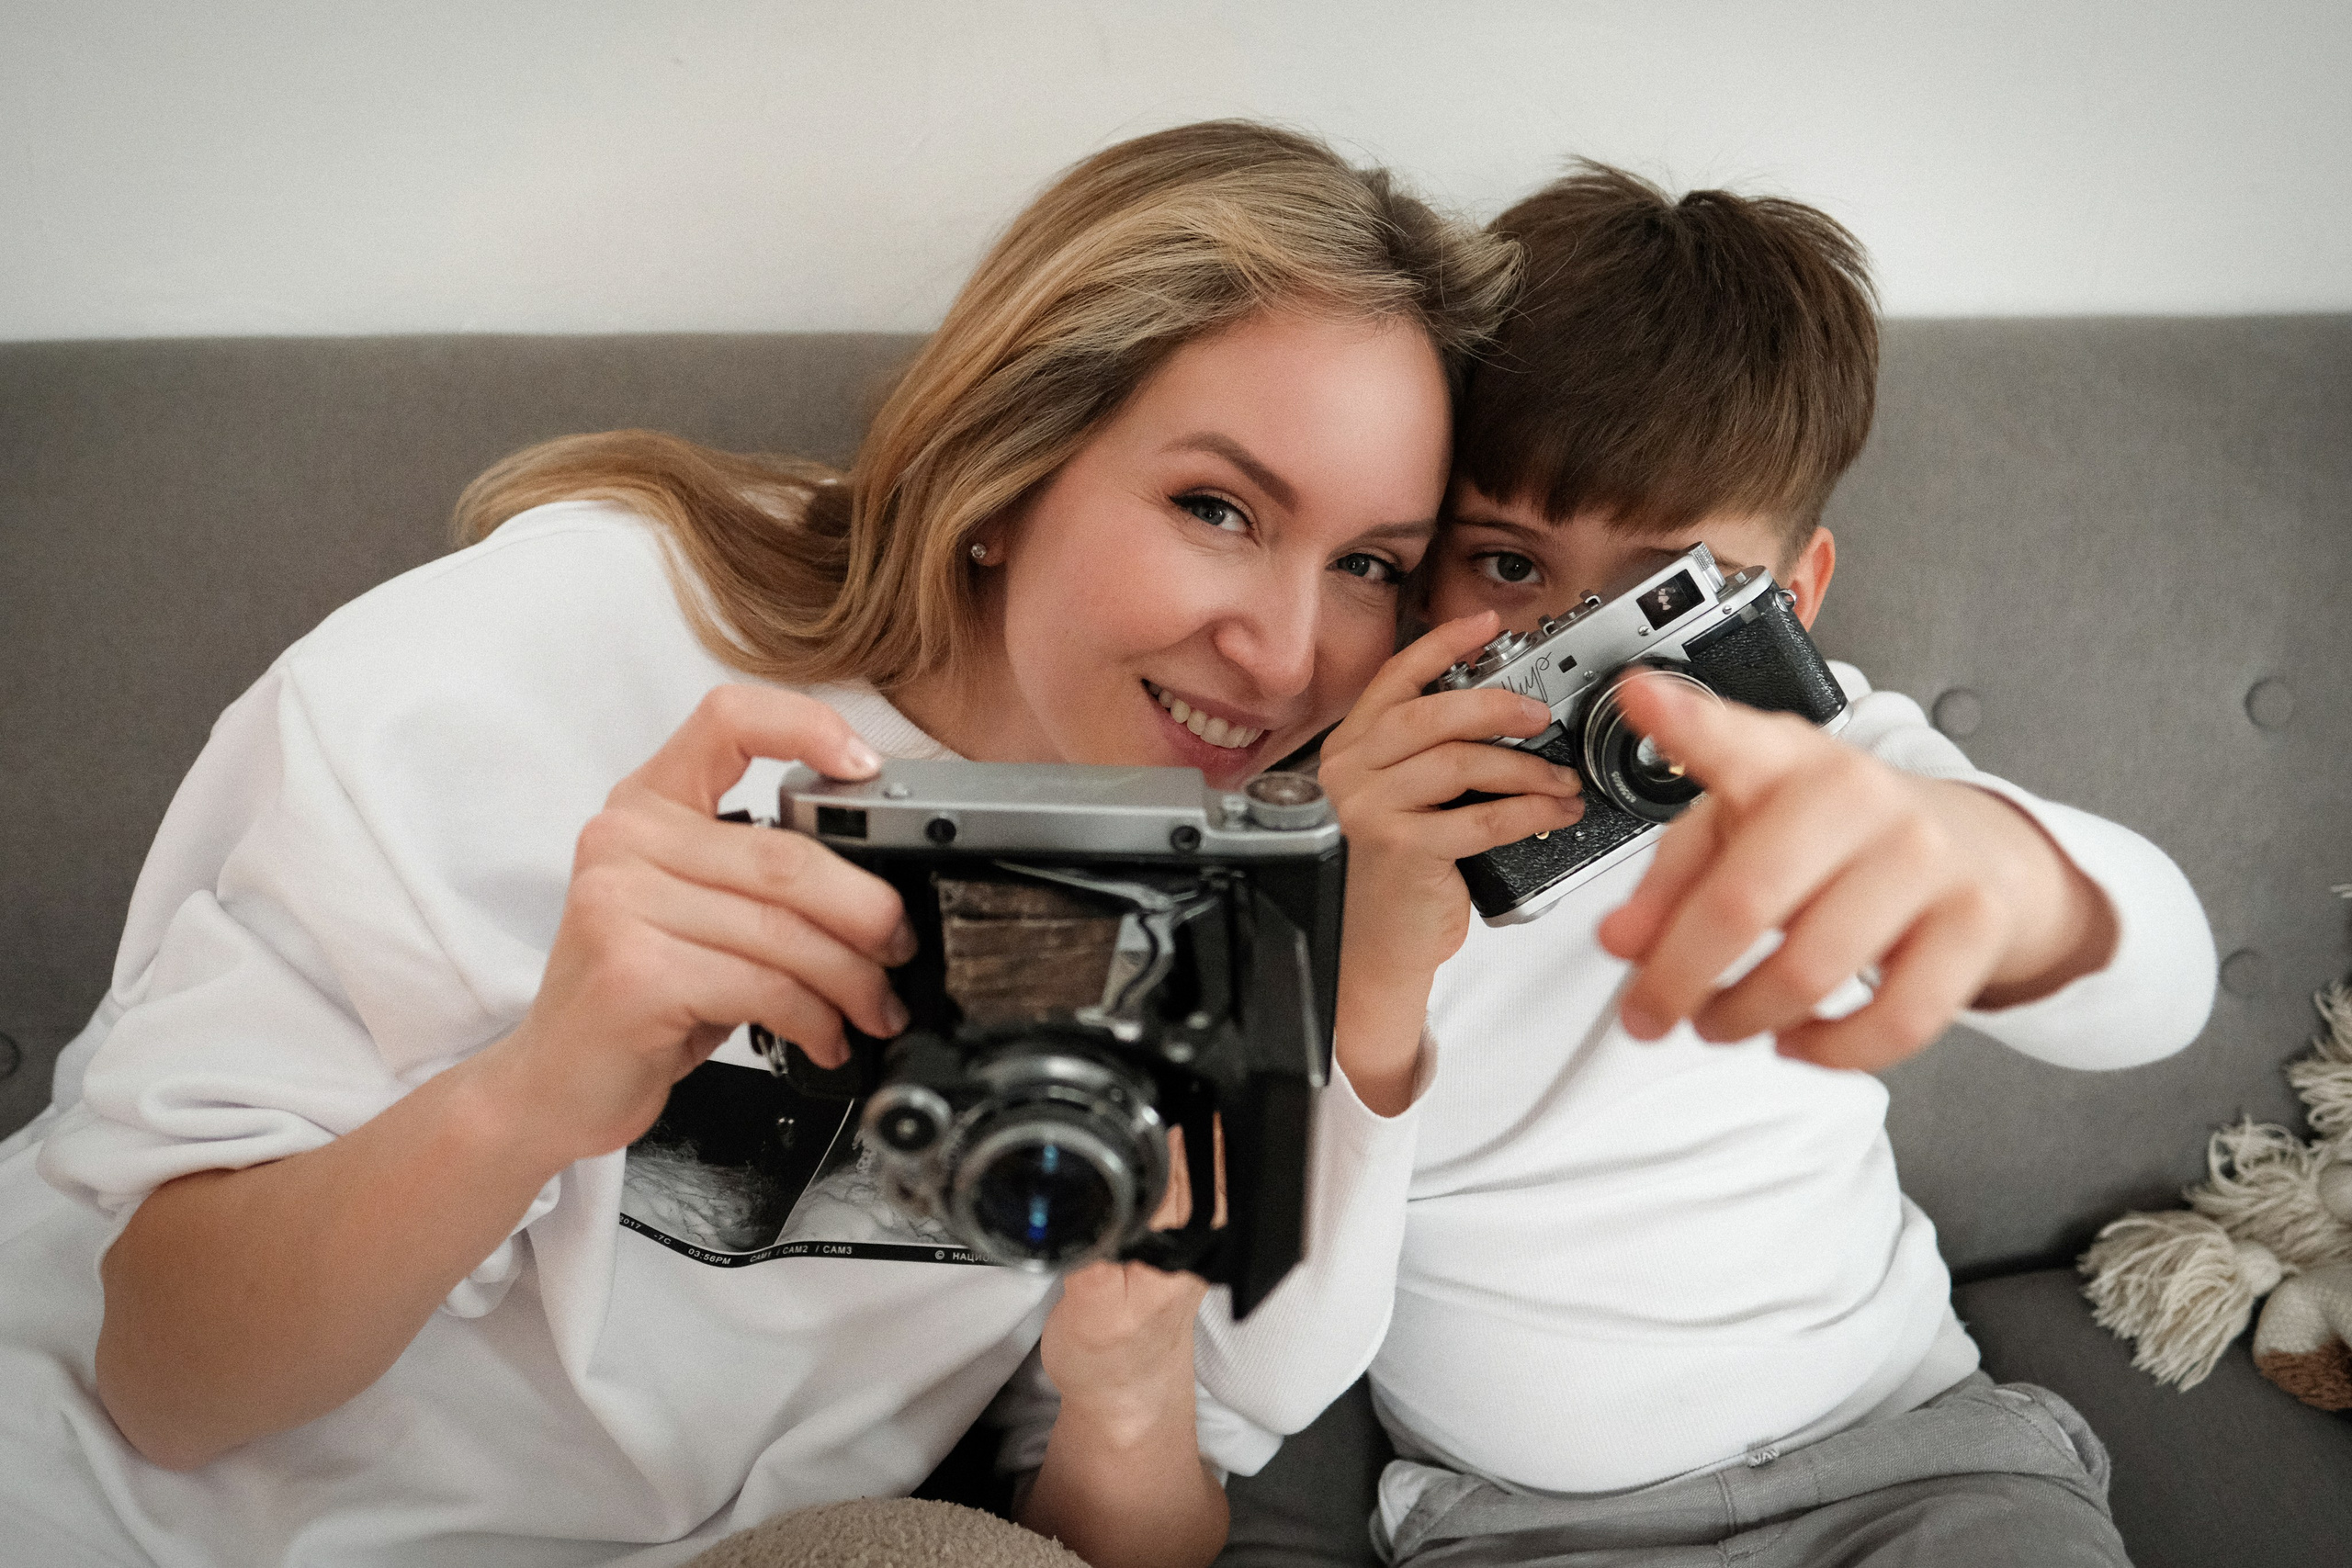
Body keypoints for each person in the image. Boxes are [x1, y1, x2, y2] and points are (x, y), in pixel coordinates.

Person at [0, 121, 1541, 1568]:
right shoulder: (543, 650)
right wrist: (533, 1092)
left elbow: (1143, 1522)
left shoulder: (1246, 899)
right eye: (1215, 507)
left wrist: (1126, 1386)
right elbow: (165, 1384)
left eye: (1368, 565)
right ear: (1011, 470)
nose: (1282, 653)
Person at [1193, 164, 2217, 1565]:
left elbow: (2158, 990)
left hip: (1912, 1457)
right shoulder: (1335, 820)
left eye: (1659, 598)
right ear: (1419, 558)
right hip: (1529, 1526)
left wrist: (1995, 869)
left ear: (1788, 605)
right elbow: (1240, 1368)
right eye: (1506, 567)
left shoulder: (1828, 755)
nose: (1571, 654)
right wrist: (1367, 952)